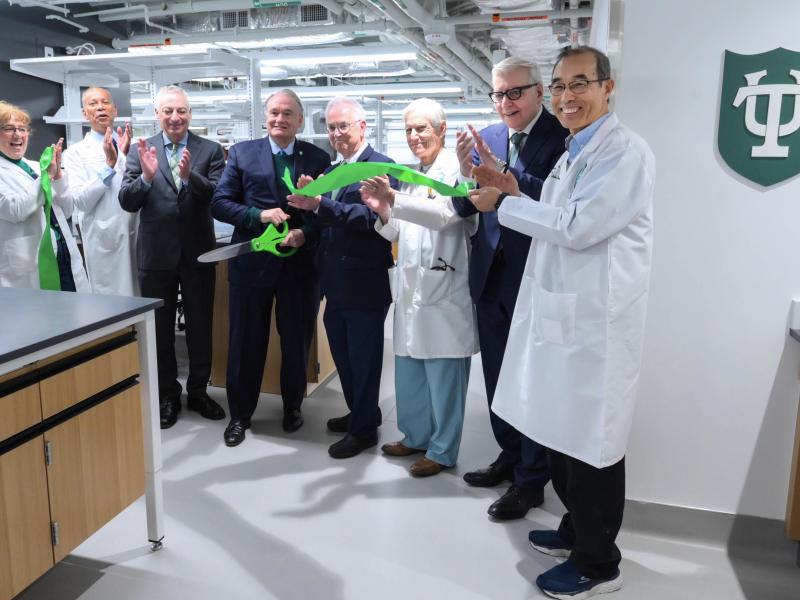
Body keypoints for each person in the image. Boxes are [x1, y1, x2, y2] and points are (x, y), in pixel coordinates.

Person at [468, 46, 655, 599]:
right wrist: (510, 189)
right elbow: (552, 218)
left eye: (580, 84)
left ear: (607, 87)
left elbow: (578, 227)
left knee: (593, 443)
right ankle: (577, 532)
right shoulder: (576, 152)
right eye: (558, 87)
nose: (567, 97)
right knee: (563, 436)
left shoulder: (625, 153)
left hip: (598, 326)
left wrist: (501, 205)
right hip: (564, 319)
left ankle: (599, 564)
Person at [452, 57, 568, 520]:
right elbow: (467, 205)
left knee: (529, 380)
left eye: (514, 93)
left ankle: (531, 480)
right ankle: (509, 454)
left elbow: (557, 204)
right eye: (498, 94)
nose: (505, 103)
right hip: (491, 274)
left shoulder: (562, 138)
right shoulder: (489, 135)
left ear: (539, 92)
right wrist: (465, 177)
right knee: (497, 377)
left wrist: (504, 179)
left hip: (534, 276)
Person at [359, 98, 479, 477]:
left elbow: (449, 215)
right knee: (410, 373)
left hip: (443, 290)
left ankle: (443, 451)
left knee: (443, 378)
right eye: (408, 129)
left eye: (422, 128)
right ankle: (415, 435)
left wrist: (394, 198)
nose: (414, 136)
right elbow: (402, 232)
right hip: (412, 290)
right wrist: (382, 211)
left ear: (441, 130)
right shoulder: (412, 175)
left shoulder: (458, 172)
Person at [211, 89, 330, 447]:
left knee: (296, 342)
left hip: (299, 268)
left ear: (300, 120)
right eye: (274, 113)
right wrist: (257, 215)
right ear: (266, 117)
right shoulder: (243, 153)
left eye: (288, 114)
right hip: (252, 265)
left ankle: (293, 406)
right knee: (246, 342)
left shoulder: (318, 157)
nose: (280, 119)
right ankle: (240, 416)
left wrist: (303, 234)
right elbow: (220, 202)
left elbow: (324, 216)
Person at [288, 96, 396, 459]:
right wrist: (308, 221)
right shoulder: (334, 171)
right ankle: (362, 412)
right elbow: (329, 222)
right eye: (331, 127)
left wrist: (322, 205)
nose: (335, 133)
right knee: (345, 357)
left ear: (362, 127)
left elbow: (372, 220)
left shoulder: (381, 167)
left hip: (364, 282)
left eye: (343, 126)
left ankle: (364, 430)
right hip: (334, 281)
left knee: (363, 359)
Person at [119, 85, 226, 429]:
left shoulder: (209, 150)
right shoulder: (141, 151)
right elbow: (127, 200)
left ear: (190, 113)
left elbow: (217, 195)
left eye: (180, 110)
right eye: (168, 111)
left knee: (199, 325)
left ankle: (198, 391)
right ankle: (167, 394)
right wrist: (147, 178)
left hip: (198, 252)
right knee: (161, 330)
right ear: (157, 114)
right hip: (155, 254)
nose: (175, 117)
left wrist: (188, 177)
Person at [0, 100, 89, 292]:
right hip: (28, 261)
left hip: (62, 254)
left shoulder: (34, 166)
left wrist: (58, 178)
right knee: (45, 317)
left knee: (77, 313)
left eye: (22, 129)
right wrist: (47, 176)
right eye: (9, 128)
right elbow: (14, 209)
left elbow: (65, 210)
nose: (18, 134)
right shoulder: (40, 171)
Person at [62, 87, 137, 296]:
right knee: (114, 305)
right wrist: (109, 166)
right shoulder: (75, 153)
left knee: (144, 305)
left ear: (115, 109)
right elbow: (81, 201)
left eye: (105, 102)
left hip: (136, 235)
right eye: (93, 104)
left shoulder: (131, 146)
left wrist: (123, 156)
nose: (100, 107)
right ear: (85, 113)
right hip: (104, 239)